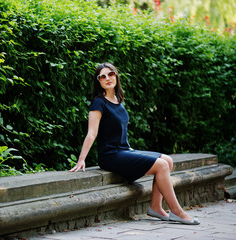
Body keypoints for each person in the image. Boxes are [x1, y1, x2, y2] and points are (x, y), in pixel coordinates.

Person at [69, 62, 200, 225]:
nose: (107, 78)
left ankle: (156, 207)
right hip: (110, 156)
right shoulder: (98, 103)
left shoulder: (118, 99)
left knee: (168, 160)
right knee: (162, 165)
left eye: (110, 74)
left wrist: (130, 150)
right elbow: (92, 133)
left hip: (123, 150)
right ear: (99, 82)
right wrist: (82, 159)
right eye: (102, 76)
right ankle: (177, 212)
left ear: (116, 75)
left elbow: (119, 130)